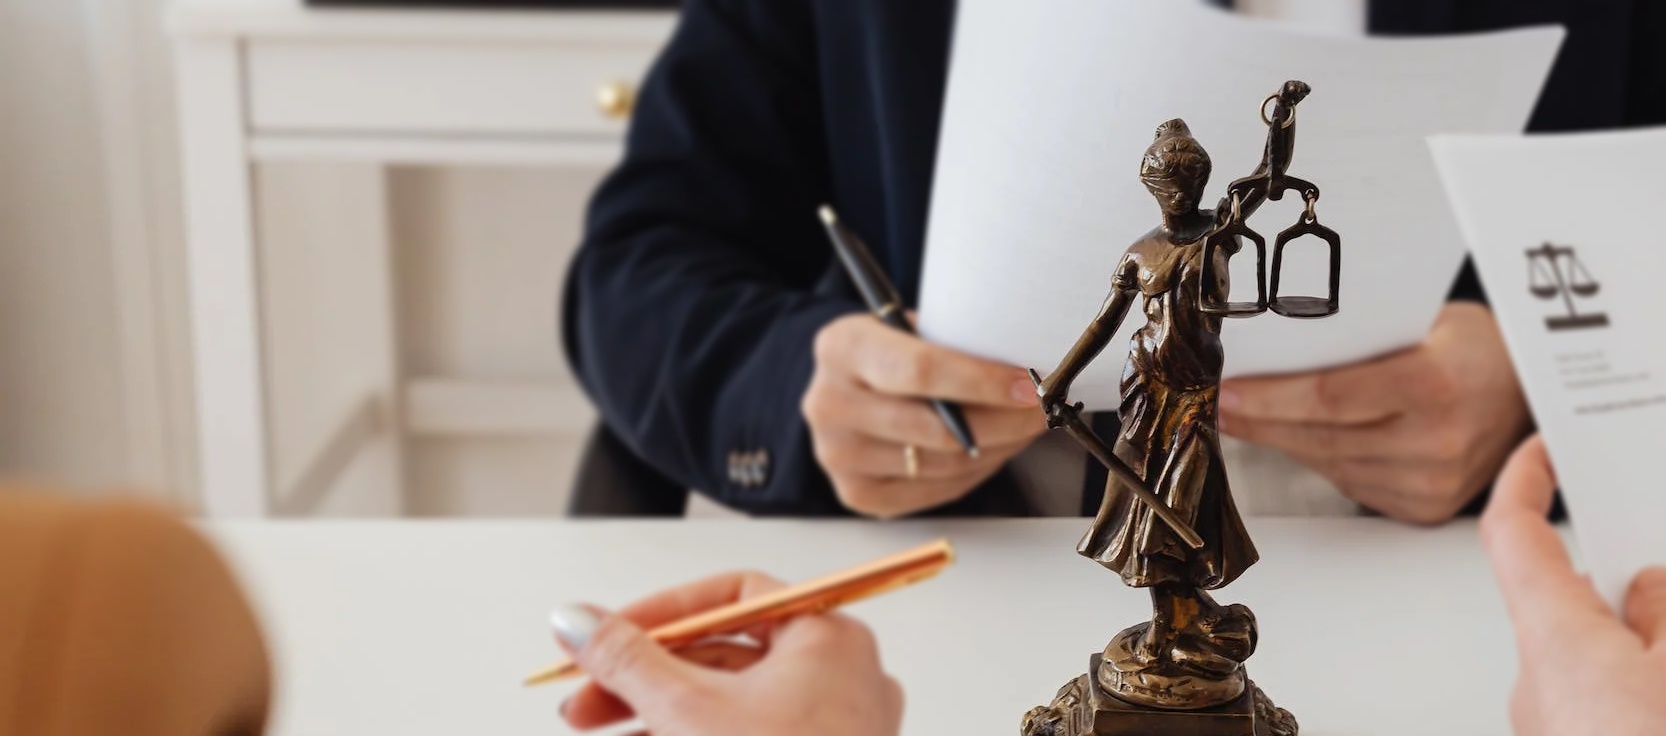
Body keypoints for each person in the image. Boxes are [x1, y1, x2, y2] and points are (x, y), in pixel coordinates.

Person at [564, 0, 1658, 521]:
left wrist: (1552, 382)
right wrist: (802, 383)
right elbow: (639, 264)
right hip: (958, 604)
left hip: (1470, 615)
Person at [556, 435, 1666, 735]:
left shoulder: (1207, 245)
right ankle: (1176, 633)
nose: (1177, 187)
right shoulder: (1147, 246)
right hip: (1134, 423)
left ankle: (1187, 632)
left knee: (1186, 542)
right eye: (1169, 178)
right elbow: (656, 245)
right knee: (1154, 547)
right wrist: (1061, 390)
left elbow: (1262, 208)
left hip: (1204, 420)